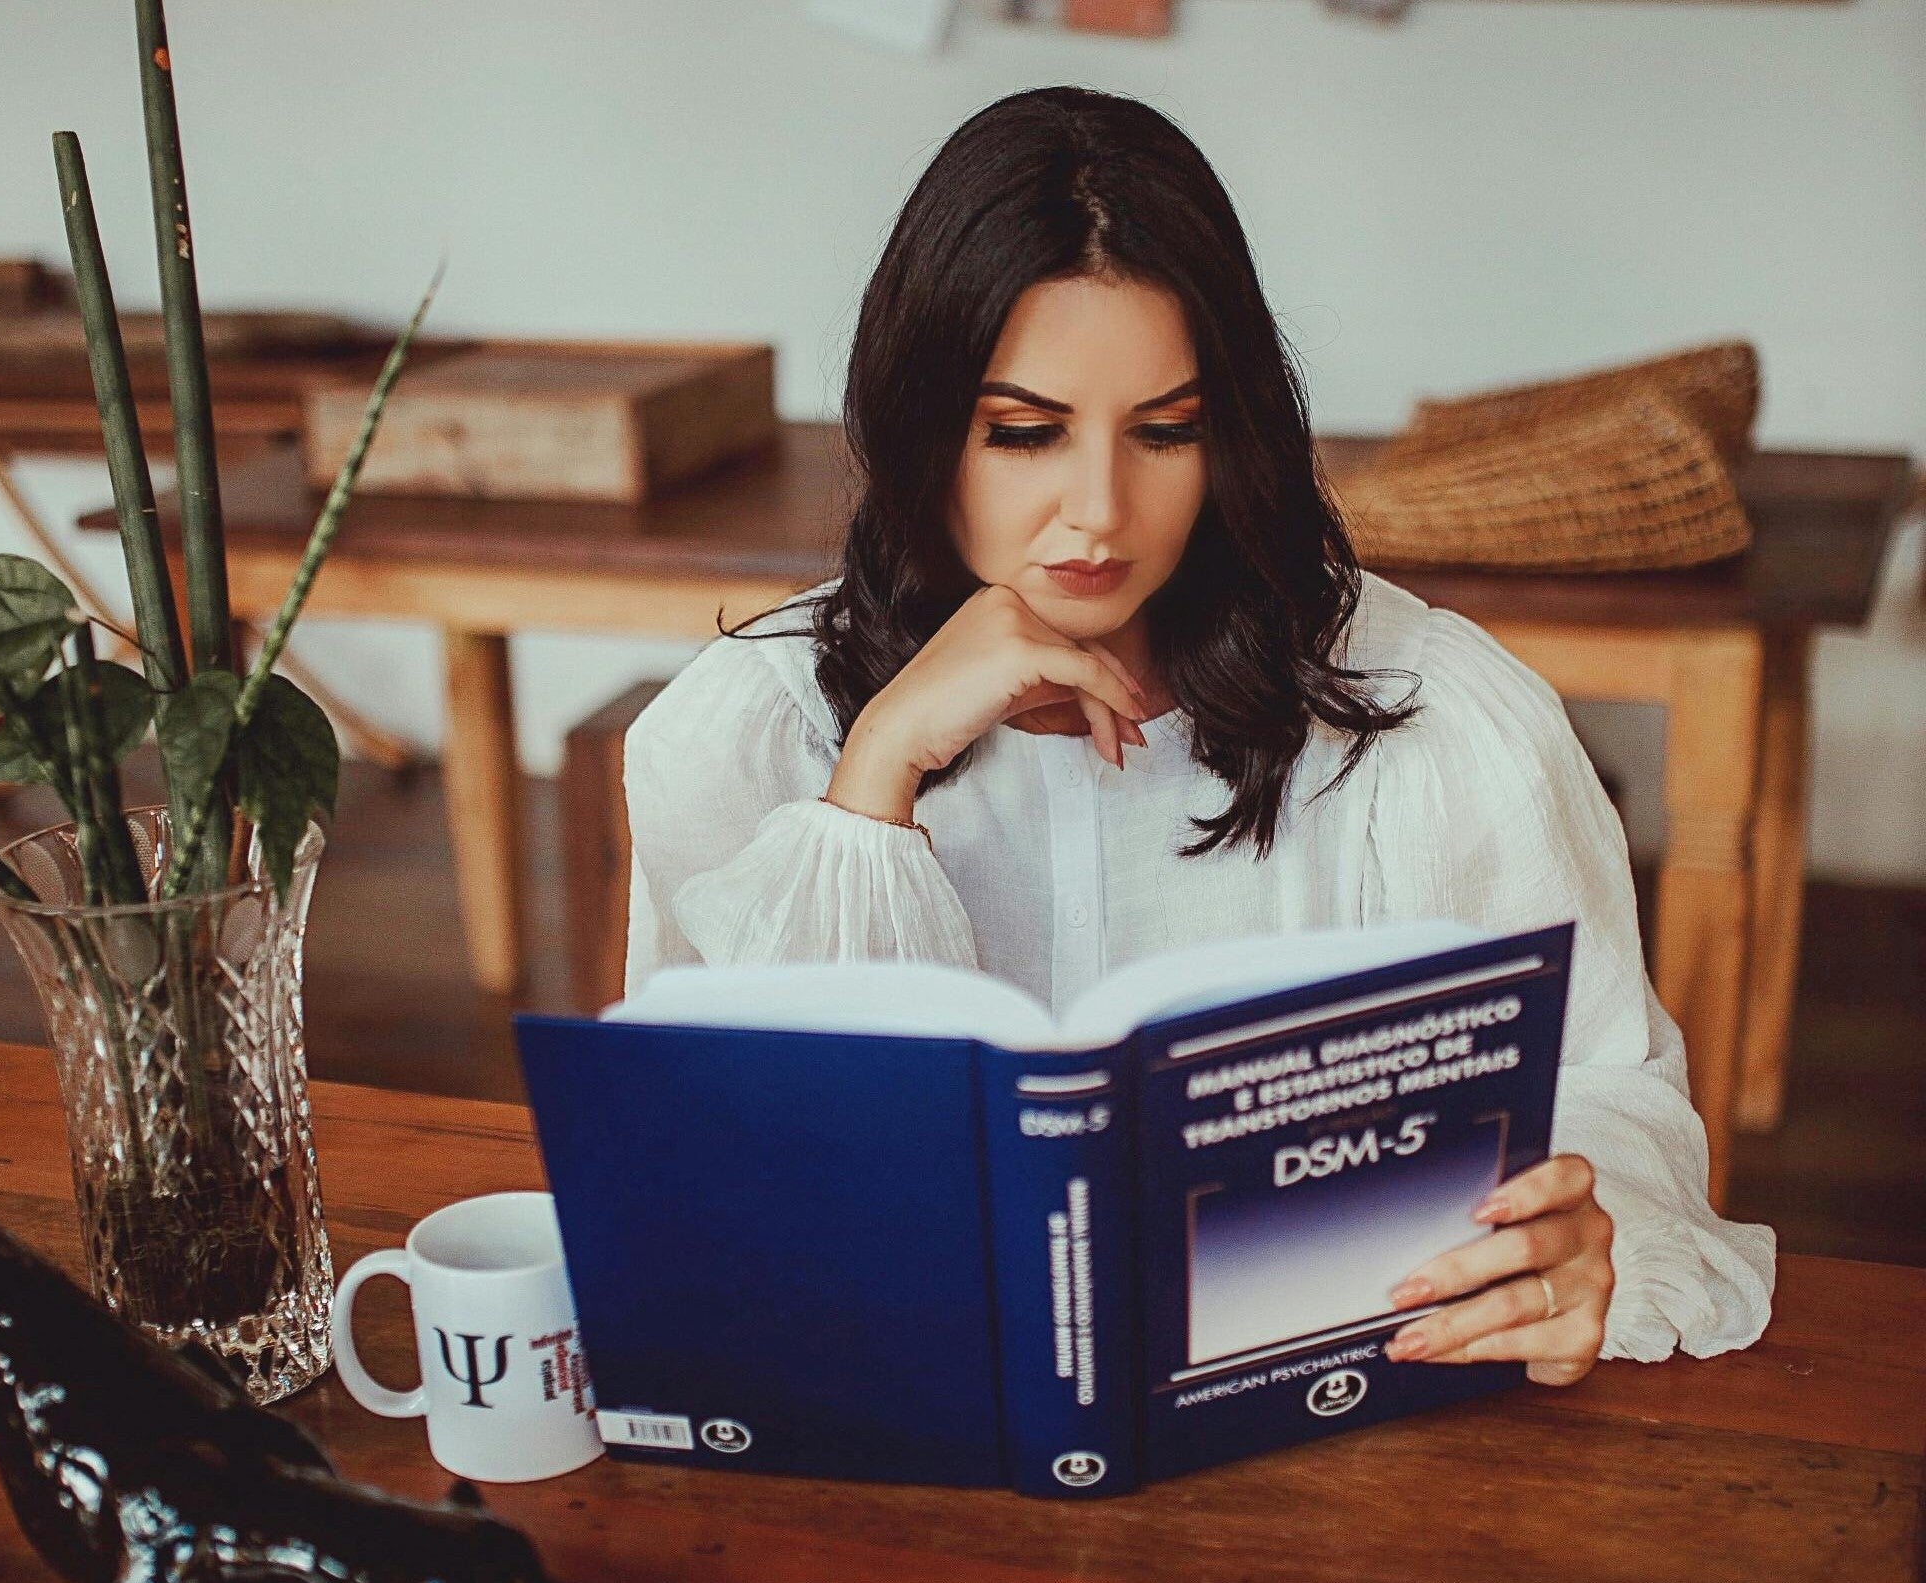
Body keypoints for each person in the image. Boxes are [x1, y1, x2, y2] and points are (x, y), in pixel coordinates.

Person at [618, 85, 1774, 1388]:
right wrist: (873, 781)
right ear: (919, 422)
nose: (1099, 513)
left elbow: (1605, 1090)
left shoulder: (1436, 715)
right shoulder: (746, 728)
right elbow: (739, 1181)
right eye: (1024, 433)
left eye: (1165, 432)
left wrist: (1578, 1232)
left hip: (1348, 1438)